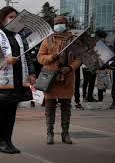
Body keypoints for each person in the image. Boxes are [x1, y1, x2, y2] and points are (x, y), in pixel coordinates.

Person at [0, 6, 36, 154]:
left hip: (18, 77)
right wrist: (5, 60)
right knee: (4, 111)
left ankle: (8, 140)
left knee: (12, 111)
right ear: (3, 18)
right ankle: (1, 142)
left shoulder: (19, 35)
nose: (14, 19)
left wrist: (32, 73)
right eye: (11, 17)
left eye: (15, 17)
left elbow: (27, 55)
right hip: (2, 79)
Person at [37, 15, 81, 145]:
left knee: (66, 107)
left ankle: (65, 133)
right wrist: (51, 58)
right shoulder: (48, 40)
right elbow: (40, 57)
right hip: (50, 79)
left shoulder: (74, 40)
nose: (59, 25)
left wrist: (70, 67)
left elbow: (79, 58)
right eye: (56, 23)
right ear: (53, 25)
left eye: (61, 23)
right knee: (49, 107)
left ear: (66, 24)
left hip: (67, 79)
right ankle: (49, 133)